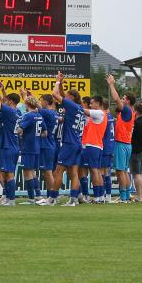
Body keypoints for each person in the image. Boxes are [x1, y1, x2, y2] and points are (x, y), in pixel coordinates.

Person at [50, 71, 85, 206]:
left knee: (58, 170)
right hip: (77, 143)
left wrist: (57, 81)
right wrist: (62, 84)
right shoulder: (79, 108)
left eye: (68, 96)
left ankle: (52, 198)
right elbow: (62, 95)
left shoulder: (72, 106)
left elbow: (55, 94)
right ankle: (73, 199)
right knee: (73, 172)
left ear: (72, 98)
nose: (65, 97)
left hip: (69, 143)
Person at [0, 76, 21, 206]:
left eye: (6, 100)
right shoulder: (16, 111)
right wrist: (2, 91)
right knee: (5, 173)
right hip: (9, 145)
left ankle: (11, 200)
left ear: (10, 102)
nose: (3, 101)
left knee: (9, 174)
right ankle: (7, 197)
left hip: (9, 146)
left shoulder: (9, 112)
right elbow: (0, 102)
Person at [107, 74, 136, 203]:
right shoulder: (130, 111)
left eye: (124, 98)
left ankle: (124, 197)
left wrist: (111, 84)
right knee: (124, 171)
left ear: (128, 101)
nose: (121, 100)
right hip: (127, 144)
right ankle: (127, 195)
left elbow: (116, 99)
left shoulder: (127, 110)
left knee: (120, 171)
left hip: (122, 143)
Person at [81, 96, 109, 204]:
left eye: (92, 103)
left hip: (93, 145)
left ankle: (97, 196)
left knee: (94, 171)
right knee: (97, 171)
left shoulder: (99, 113)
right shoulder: (103, 114)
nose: (90, 105)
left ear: (98, 103)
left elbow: (84, 111)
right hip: (98, 145)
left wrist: (73, 106)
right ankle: (101, 196)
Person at [16, 94, 43, 204]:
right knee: (33, 172)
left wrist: (20, 132)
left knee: (27, 172)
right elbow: (45, 133)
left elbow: (19, 130)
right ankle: (38, 196)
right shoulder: (39, 116)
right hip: (36, 147)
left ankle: (31, 198)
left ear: (27, 104)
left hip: (28, 147)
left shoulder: (28, 116)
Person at [36, 94, 58, 205]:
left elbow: (36, 106)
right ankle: (50, 196)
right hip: (49, 145)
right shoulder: (53, 113)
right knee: (47, 173)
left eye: (41, 100)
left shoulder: (48, 113)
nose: (41, 102)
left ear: (45, 101)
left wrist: (26, 96)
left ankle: (53, 197)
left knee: (48, 173)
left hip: (47, 145)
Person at [130, 104, 142, 202]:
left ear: (136, 111)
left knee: (136, 174)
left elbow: (132, 136)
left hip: (136, 150)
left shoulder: (136, 122)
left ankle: (139, 196)